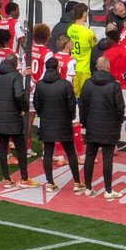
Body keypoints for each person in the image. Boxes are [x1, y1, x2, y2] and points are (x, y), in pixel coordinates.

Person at [34, 56, 84, 191]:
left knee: (48, 153)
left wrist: (43, 115)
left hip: (46, 123)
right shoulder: (65, 85)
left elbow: (36, 104)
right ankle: (77, 182)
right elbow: (72, 105)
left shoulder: (40, 85)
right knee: (71, 153)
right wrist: (70, 117)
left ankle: (50, 183)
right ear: (58, 68)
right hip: (63, 123)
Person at [79, 56, 125, 199]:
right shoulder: (114, 85)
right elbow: (120, 108)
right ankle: (108, 190)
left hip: (92, 126)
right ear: (108, 67)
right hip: (109, 127)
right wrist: (118, 123)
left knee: (90, 156)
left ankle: (88, 187)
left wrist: (84, 122)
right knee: (107, 158)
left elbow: (82, 105)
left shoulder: (87, 84)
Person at [0, 52, 36, 188]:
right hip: (13, 117)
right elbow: (19, 94)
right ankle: (24, 178)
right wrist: (24, 108)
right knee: (21, 148)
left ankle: (6, 179)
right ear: (15, 64)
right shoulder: (16, 76)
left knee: (3, 147)